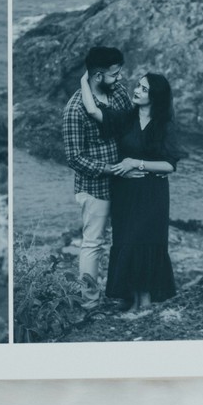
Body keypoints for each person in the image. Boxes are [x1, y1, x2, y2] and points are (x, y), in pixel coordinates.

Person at [79, 71, 183, 311]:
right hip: (125, 193)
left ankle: (144, 304)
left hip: (152, 195)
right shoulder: (126, 118)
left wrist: (136, 163)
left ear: (155, 96)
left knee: (145, 242)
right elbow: (94, 111)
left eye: (144, 89)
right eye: (138, 86)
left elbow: (170, 166)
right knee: (127, 242)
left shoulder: (164, 125)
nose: (136, 90)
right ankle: (134, 301)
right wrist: (85, 80)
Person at [61, 46, 134, 308]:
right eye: (115, 73)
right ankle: (89, 302)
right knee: (93, 244)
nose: (121, 78)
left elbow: (130, 124)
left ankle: (123, 293)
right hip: (95, 187)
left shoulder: (119, 93)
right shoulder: (75, 109)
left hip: (126, 181)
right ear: (98, 75)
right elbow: (74, 157)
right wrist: (109, 168)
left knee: (126, 239)